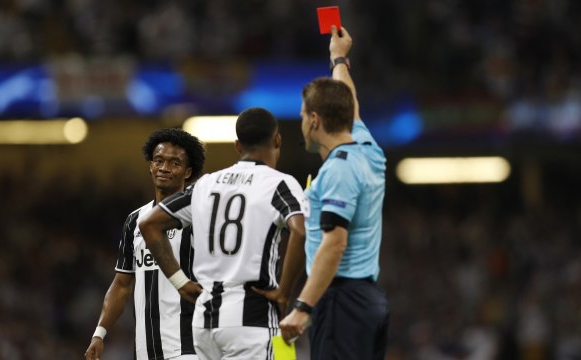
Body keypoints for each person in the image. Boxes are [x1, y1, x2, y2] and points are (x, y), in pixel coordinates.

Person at [137, 107, 307, 360]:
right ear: (278, 140)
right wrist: (284, 293)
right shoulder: (279, 183)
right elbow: (301, 231)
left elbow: (149, 223)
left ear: (237, 146)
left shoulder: (206, 183)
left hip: (204, 323)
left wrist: (180, 283)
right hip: (251, 317)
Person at [279, 26, 390, 359]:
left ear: (314, 120)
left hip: (342, 301)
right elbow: (349, 102)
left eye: (301, 116)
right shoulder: (368, 148)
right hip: (367, 300)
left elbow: (335, 242)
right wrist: (338, 57)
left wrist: (303, 306)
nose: (300, 123)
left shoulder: (339, 170)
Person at [85, 128, 206, 360]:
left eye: (174, 163)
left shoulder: (199, 216)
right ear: (150, 165)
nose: (164, 168)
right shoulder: (135, 220)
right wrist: (99, 333)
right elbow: (121, 284)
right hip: (145, 351)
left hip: (189, 347)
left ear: (188, 171)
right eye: (158, 160)